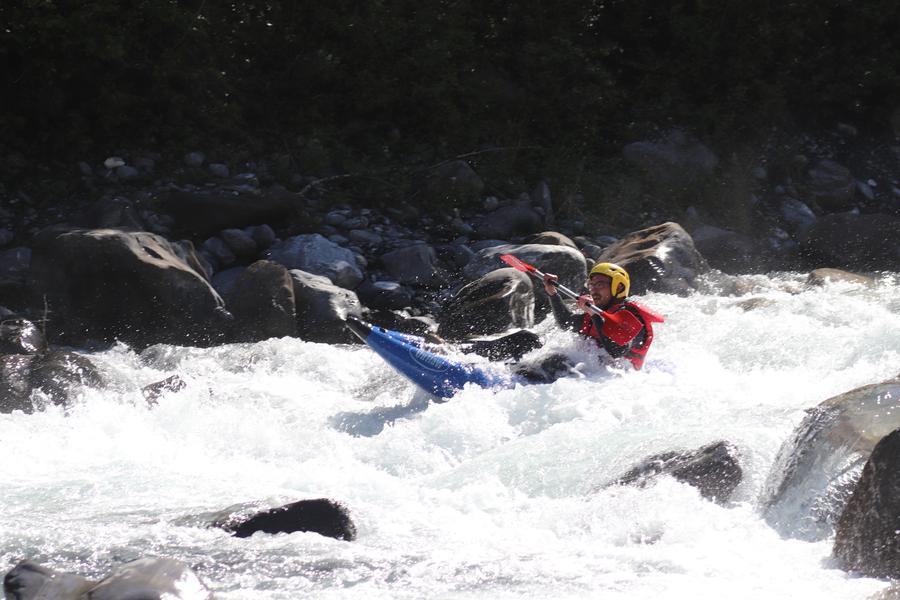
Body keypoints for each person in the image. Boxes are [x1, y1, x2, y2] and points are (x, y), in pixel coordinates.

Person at [541, 262, 664, 370]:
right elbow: (565, 322)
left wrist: (594, 315)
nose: (593, 290)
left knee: (556, 362)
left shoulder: (632, 317)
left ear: (618, 287)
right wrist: (552, 293)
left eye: (600, 285)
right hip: (588, 373)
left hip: (617, 379)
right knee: (527, 339)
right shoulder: (595, 312)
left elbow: (617, 351)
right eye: (591, 285)